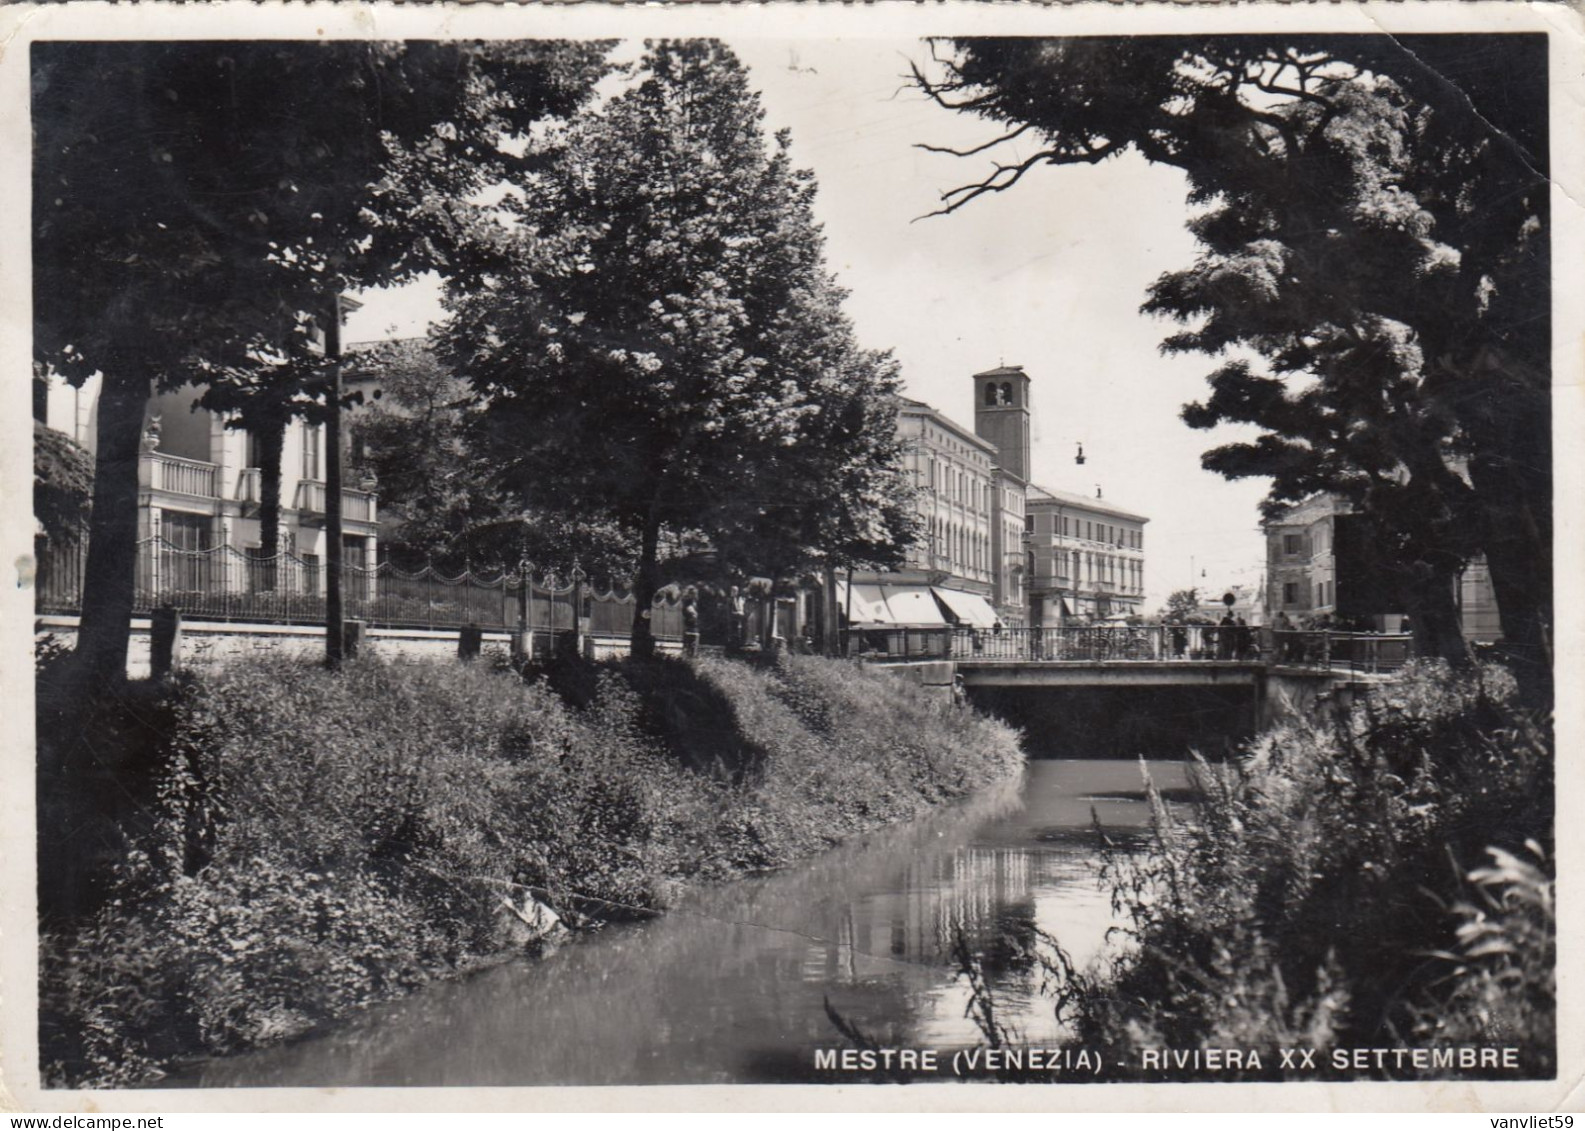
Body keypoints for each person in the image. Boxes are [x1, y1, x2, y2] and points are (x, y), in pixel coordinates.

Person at [681, 587, 700, 657]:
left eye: (696, 594)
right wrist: (693, 613)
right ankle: (688, 657)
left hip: (694, 624)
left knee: (693, 643)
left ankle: (692, 656)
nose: (696, 595)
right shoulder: (688, 601)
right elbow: (688, 609)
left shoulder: (694, 602)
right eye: (694, 594)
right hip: (689, 624)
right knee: (689, 642)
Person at [727, 584, 746, 651]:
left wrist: (740, 613)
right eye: (733, 591)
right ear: (731, 591)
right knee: (732, 635)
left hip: (737, 620)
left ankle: (736, 649)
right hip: (732, 620)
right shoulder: (730, 600)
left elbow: (739, 608)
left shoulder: (738, 599)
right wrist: (738, 613)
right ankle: (731, 649)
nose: (735, 592)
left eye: (736, 591)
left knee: (738, 634)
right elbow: (729, 612)